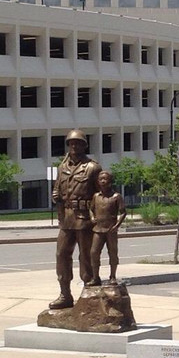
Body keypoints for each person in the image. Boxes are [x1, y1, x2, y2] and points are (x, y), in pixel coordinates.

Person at [49, 130, 101, 309]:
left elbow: (100, 194)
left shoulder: (92, 167)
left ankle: (89, 292)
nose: (74, 146)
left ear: (84, 146)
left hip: (84, 218)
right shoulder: (62, 167)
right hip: (66, 219)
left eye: (78, 143)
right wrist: (55, 196)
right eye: (71, 143)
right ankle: (65, 294)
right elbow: (58, 189)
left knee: (86, 256)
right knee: (61, 255)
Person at [88, 170, 126, 285]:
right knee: (94, 252)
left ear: (110, 182)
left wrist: (117, 225)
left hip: (111, 230)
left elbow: (123, 212)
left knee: (113, 253)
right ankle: (95, 277)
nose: (103, 181)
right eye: (101, 179)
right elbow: (91, 209)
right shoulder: (96, 196)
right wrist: (92, 217)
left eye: (105, 179)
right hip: (98, 229)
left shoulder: (116, 196)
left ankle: (112, 276)